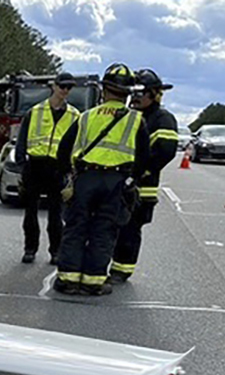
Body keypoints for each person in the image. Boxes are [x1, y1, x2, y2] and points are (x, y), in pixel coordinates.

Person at [52, 63, 150, 297]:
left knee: (76, 228)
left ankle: (68, 280)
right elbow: (144, 158)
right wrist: (131, 179)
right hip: (116, 182)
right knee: (104, 230)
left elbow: (63, 150)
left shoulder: (86, 117)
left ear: (103, 90)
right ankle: (93, 281)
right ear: (127, 95)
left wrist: (69, 174)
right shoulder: (136, 121)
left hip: (86, 178)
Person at [109, 69, 178, 283]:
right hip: (120, 183)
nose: (137, 97)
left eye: (143, 93)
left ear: (155, 94)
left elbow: (165, 152)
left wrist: (138, 173)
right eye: (135, 93)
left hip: (141, 188)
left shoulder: (162, 119)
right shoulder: (130, 115)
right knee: (114, 227)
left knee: (130, 230)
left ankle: (122, 270)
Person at [14, 72, 81, 264]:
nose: (65, 91)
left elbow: (77, 144)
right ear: (54, 86)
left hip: (57, 168)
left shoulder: (74, 115)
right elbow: (22, 140)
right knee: (30, 212)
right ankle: (30, 249)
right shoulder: (35, 111)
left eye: (69, 87)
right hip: (35, 165)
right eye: (62, 87)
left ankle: (55, 251)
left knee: (55, 214)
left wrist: (71, 171)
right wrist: (21, 165)